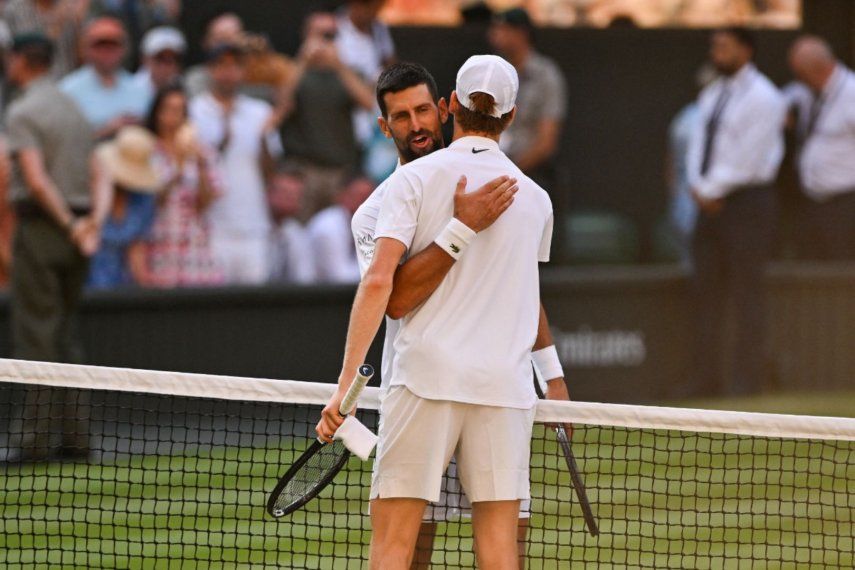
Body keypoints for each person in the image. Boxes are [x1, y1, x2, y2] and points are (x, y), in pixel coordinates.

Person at [318, 55, 557, 569]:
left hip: (428, 382)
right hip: (500, 388)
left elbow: (389, 291)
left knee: (392, 547)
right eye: (402, 117)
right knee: (499, 552)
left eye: (423, 111)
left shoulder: (414, 182)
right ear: (512, 116)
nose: (418, 125)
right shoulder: (537, 199)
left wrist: (344, 388)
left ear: (448, 107)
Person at [5, 33, 110, 462]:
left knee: (36, 335)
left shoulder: (22, 110)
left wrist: (68, 225)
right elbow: (99, 172)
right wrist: (92, 226)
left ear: (20, 61)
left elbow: (34, 179)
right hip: (79, 232)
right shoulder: (75, 110)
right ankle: (75, 438)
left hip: (46, 229)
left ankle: (33, 443)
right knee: (66, 334)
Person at [687, 27, 786, 397]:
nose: (717, 52)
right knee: (705, 292)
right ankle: (705, 379)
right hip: (709, 205)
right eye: (714, 45)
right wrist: (698, 186)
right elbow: (698, 146)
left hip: (748, 204)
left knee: (747, 294)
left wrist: (710, 189)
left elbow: (750, 158)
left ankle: (747, 381)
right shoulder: (712, 93)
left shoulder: (765, 97)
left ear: (746, 50)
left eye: (724, 46)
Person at [189, 43, 278, 285]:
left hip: (254, 226)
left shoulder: (260, 112)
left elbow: (271, 173)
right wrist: (220, 146)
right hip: (210, 227)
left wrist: (263, 143)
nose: (228, 73)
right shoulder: (194, 111)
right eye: (221, 66)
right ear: (210, 70)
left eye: (234, 66)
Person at [280, 10, 376, 220]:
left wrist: (339, 65)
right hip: (304, 172)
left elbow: (370, 105)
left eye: (332, 35)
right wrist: (302, 62)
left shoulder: (348, 73)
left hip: (339, 173)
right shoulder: (293, 71)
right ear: (306, 35)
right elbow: (280, 107)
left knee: (336, 232)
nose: (326, 40)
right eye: (320, 34)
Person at [136, 85, 223, 288]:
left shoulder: (203, 151)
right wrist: (178, 169)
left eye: (179, 110)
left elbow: (205, 204)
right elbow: (151, 202)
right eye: (168, 109)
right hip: (157, 241)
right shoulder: (145, 151)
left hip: (193, 245)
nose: (173, 117)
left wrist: (200, 165)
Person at [787, 36, 855, 261]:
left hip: (845, 205)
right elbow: (783, 98)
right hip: (812, 202)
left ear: (817, 69)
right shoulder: (806, 92)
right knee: (811, 274)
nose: (798, 80)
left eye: (800, 74)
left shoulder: (851, 93)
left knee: (840, 276)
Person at [488, 8, 566, 179]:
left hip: (530, 170)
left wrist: (513, 172)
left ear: (521, 33)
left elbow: (547, 141)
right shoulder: (491, 71)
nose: (495, 35)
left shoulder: (546, 74)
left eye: (503, 29)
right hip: (491, 163)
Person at [87, 125, 159, 289]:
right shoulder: (89, 194)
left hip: (121, 288)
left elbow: (136, 251)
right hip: (85, 286)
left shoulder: (143, 200)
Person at [60, 16, 149, 140]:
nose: (106, 51)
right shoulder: (68, 90)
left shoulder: (140, 89)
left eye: (113, 44)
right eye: (99, 45)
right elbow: (64, 141)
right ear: (85, 48)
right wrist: (106, 130)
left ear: (124, 48)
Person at [665, 65, 717, 267]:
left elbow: (669, 167)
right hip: (699, 201)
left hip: (682, 200)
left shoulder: (683, 116)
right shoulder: (698, 119)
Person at [306, 173, 373, 284]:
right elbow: (339, 278)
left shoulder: (366, 224)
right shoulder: (327, 227)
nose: (366, 202)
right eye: (360, 196)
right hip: (314, 295)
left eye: (370, 197)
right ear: (342, 196)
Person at [3, 0, 88, 78]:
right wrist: (56, 25)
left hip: (68, 82)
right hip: (34, 86)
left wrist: (79, 26)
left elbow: (84, 57)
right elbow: (25, 54)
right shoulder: (14, 10)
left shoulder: (72, 5)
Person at [267, 168, 315, 284]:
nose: (289, 198)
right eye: (284, 192)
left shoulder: (296, 232)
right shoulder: (249, 230)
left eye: (295, 195)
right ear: (267, 192)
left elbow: (305, 278)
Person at [184, 12, 244, 98]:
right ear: (205, 42)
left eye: (232, 40)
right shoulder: (193, 80)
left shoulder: (257, 78)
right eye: (221, 40)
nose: (227, 47)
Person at [133, 26, 186, 105]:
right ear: (145, 60)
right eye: (160, 59)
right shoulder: (132, 89)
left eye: (172, 60)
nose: (165, 66)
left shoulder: (185, 89)